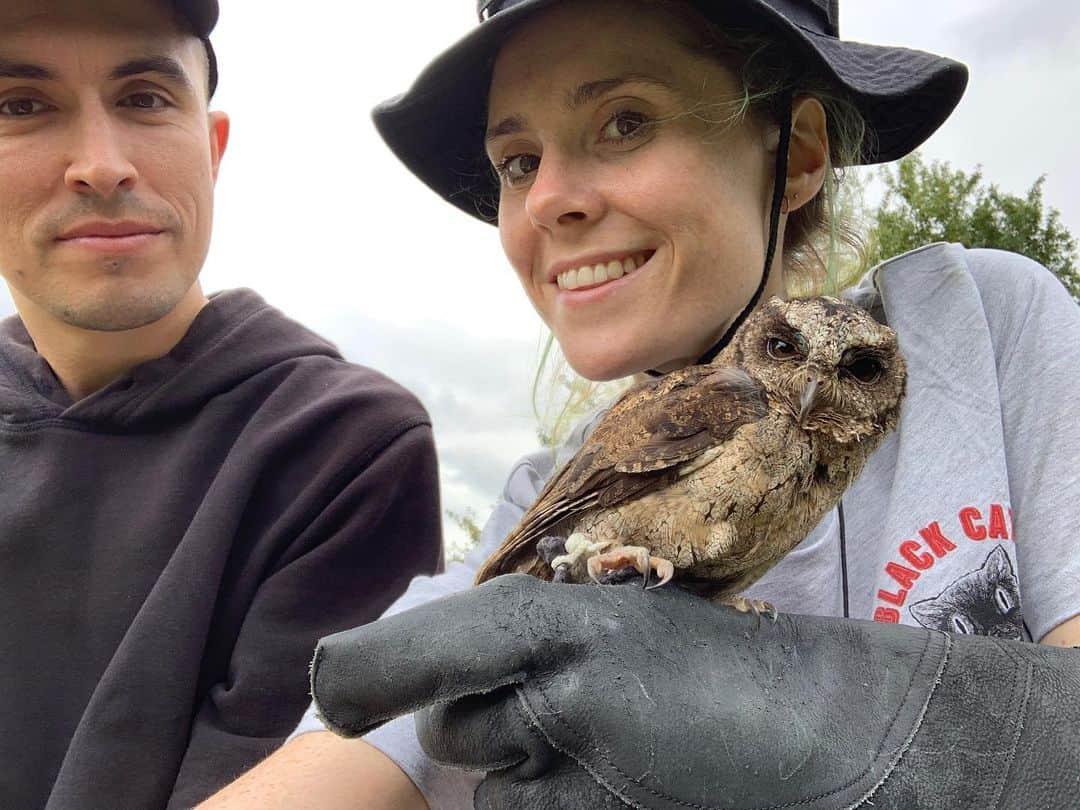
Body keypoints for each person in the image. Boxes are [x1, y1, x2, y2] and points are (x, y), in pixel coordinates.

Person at [205, 0, 1080, 808]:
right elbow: (352, 752)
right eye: (516, 162)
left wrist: (896, 737)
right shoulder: (548, 488)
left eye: (626, 122)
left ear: (800, 153)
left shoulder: (978, 331)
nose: (548, 199)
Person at [0, 1, 442, 807]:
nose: (101, 165)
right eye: (20, 106)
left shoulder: (345, 451)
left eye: (144, 98)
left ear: (212, 145)